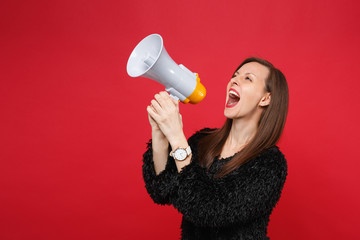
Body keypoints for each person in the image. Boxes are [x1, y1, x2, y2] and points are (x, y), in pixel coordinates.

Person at [142, 57, 289, 239]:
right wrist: (160, 134)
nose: (234, 80)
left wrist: (177, 137)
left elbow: (209, 210)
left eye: (247, 78)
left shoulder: (270, 164)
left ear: (266, 98)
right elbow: (160, 189)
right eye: (235, 75)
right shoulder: (202, 141)